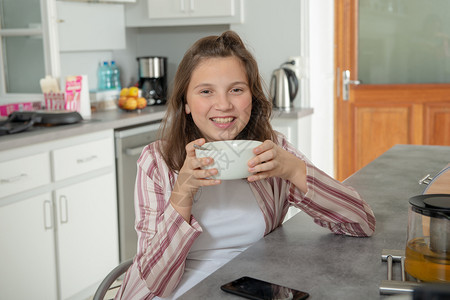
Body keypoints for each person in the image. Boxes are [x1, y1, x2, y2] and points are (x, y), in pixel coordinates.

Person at [115, 30, 376, 300]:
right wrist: (181, 195)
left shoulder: (273, 151)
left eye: (236, 90)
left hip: (250, 289)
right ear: (187, 103)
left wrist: (295, 170)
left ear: (251, 96)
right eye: (206, 91)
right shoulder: (156, 161)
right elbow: (156, 283)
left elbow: (362, 223)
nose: (224, 105)